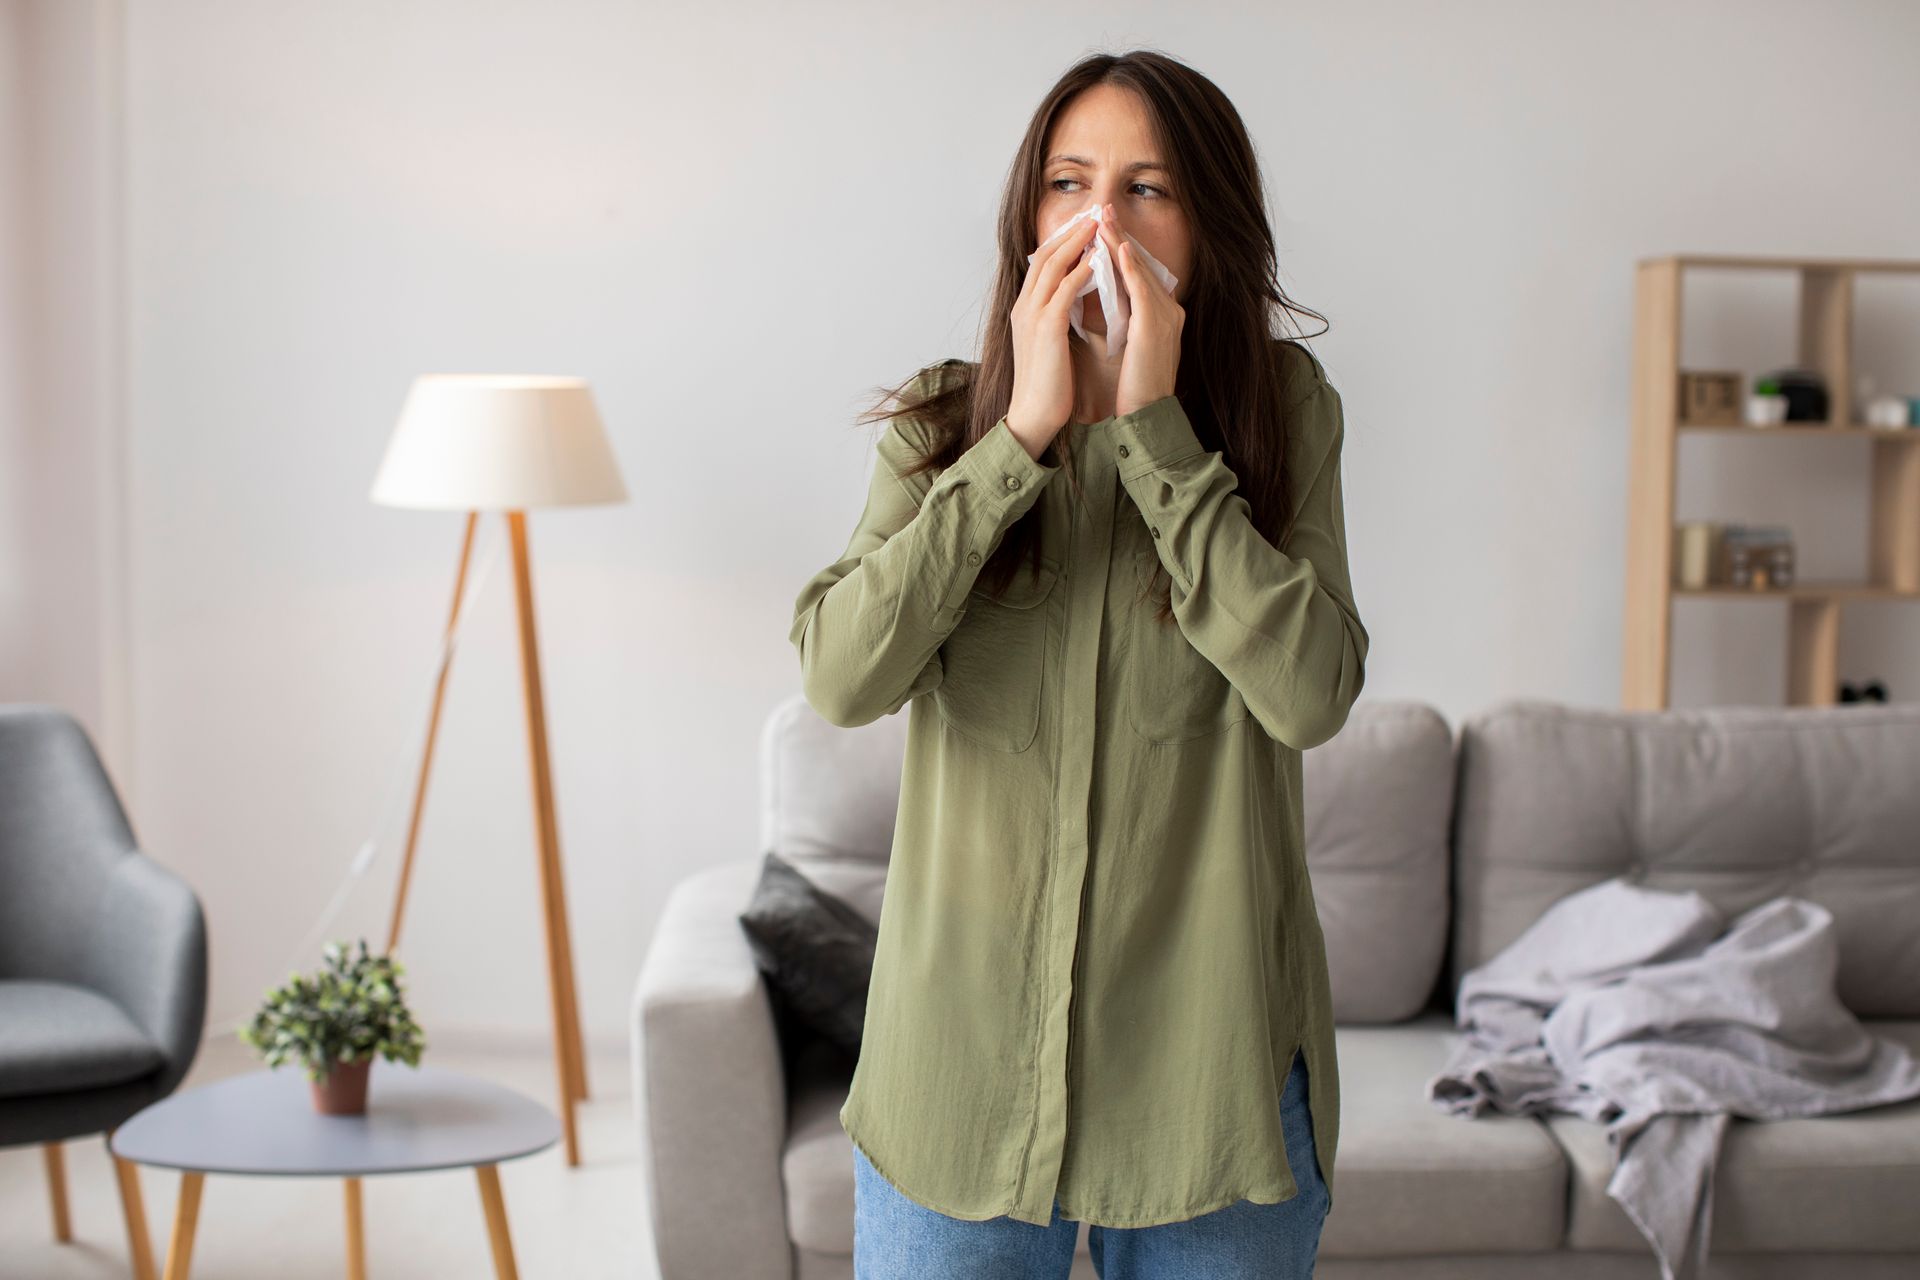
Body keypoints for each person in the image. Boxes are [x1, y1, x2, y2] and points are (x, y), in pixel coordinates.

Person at [789, 46, 1368, 1280]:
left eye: (1149, 187)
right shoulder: (939, 429)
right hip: (955, 1082)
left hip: (1214, 1086)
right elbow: (841, 677)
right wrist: (1018, 438)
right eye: (1071, 181)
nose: (1102, 218)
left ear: (1209, 228)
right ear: (1030, 215)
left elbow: (1313, 691)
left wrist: (1154, 434)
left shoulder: (1288, 412)